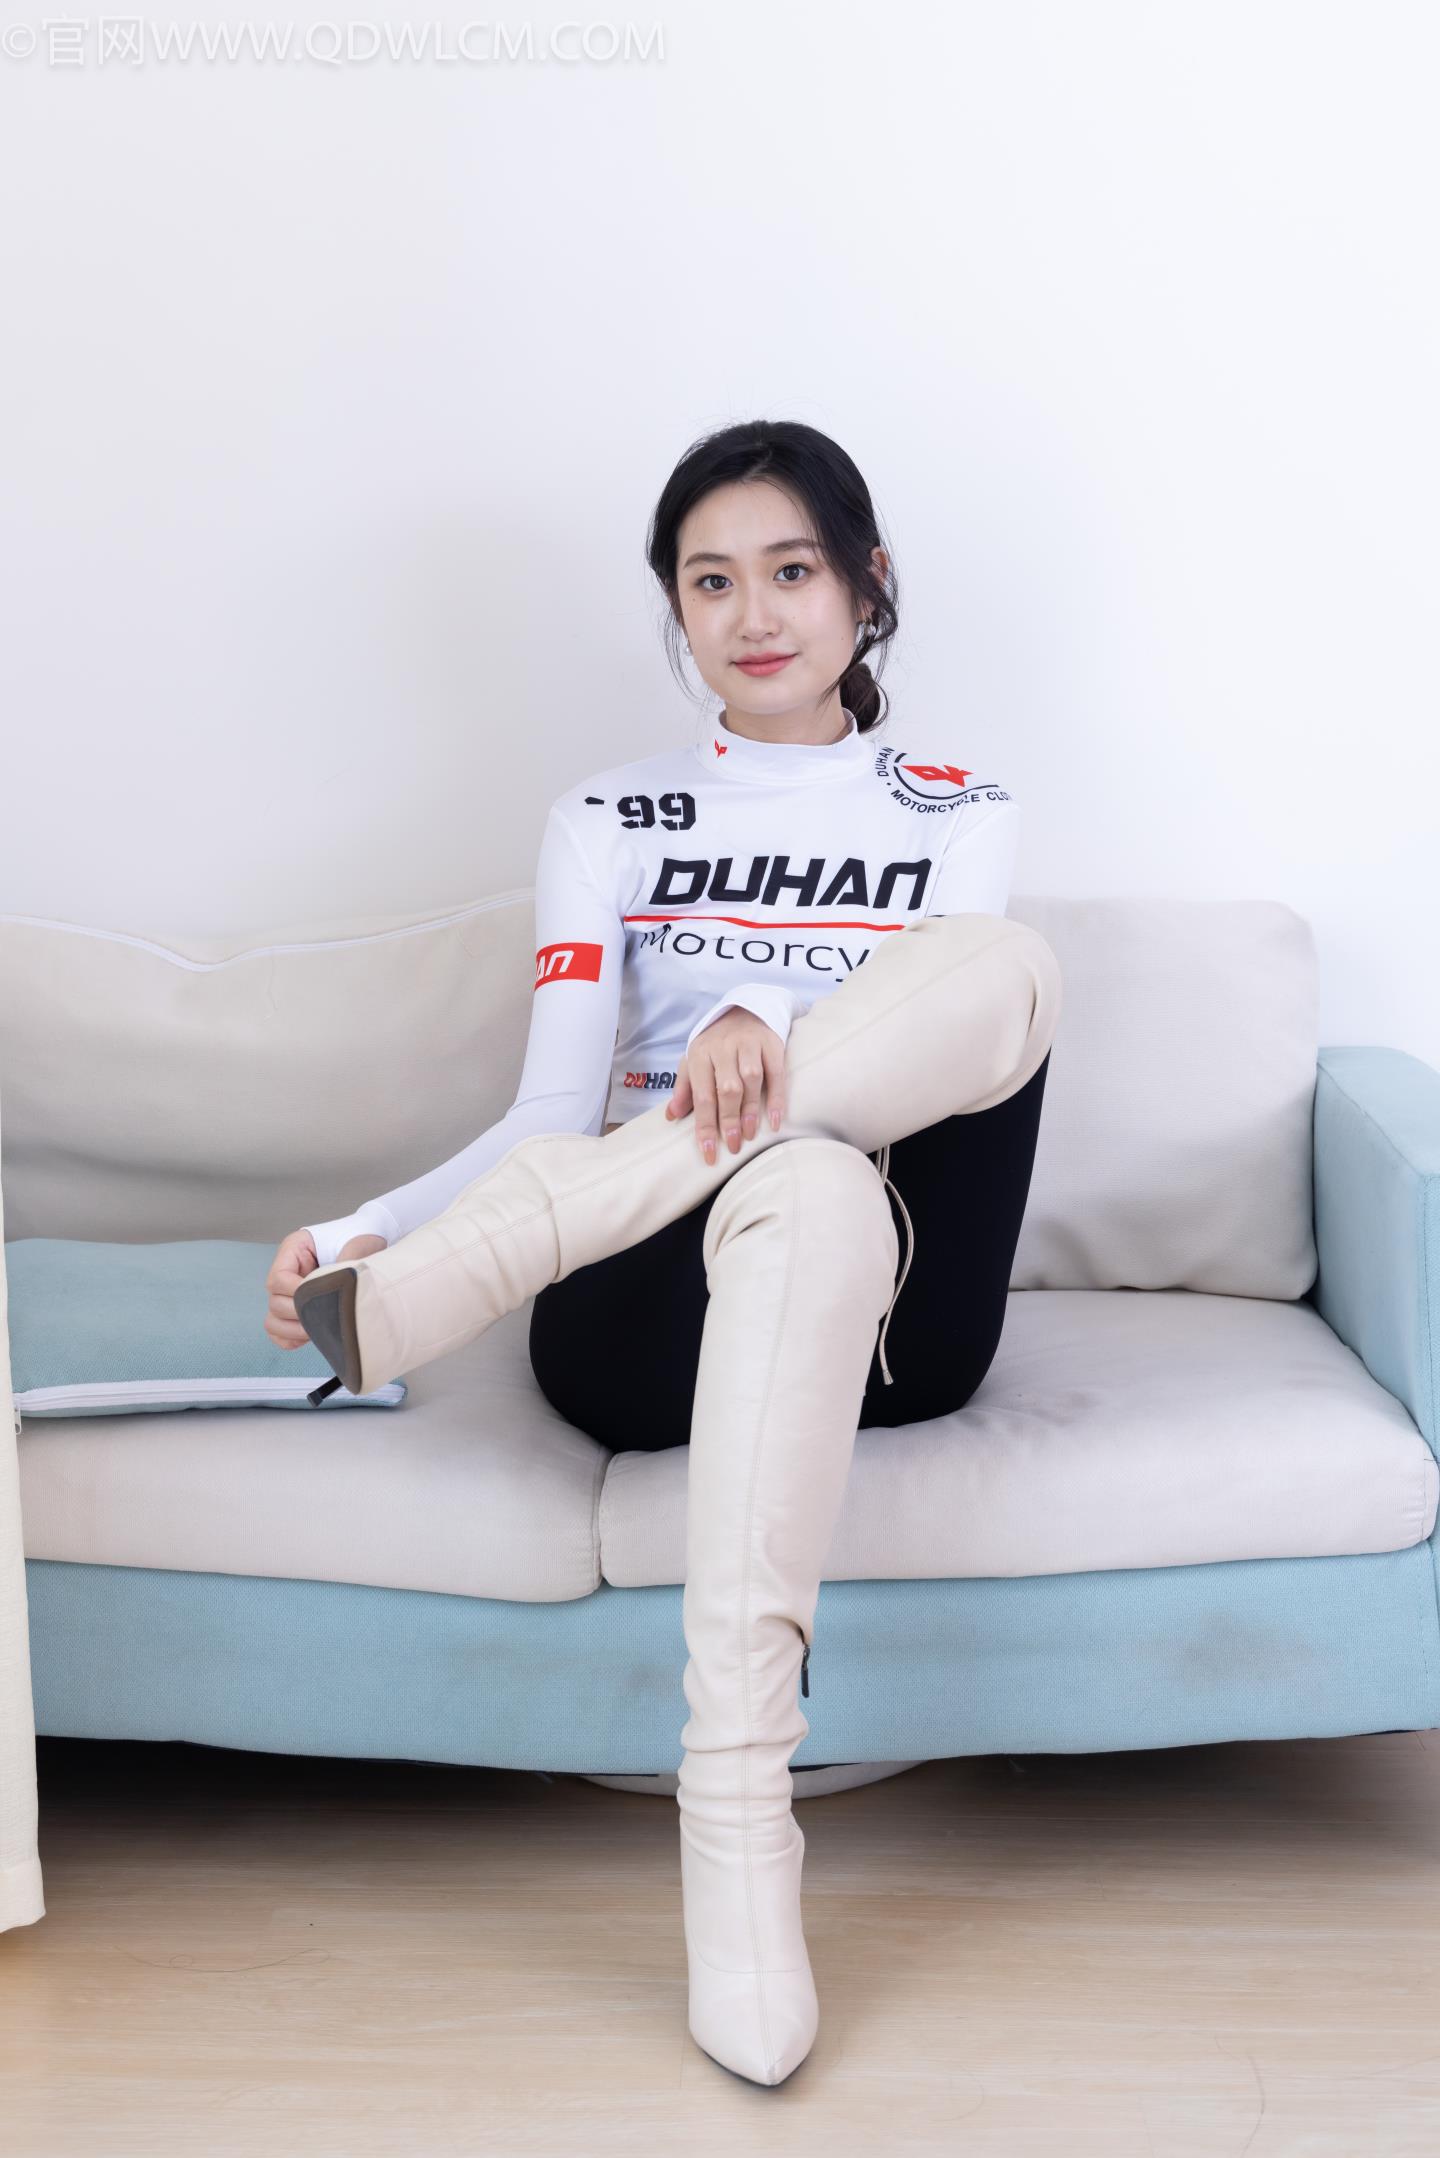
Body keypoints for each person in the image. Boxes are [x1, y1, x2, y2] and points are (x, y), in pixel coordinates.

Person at [264, 419, 1062, 2088]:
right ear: (677, 607)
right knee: (800, 1189)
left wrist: (759, 1012)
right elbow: (548, 1107)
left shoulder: (958, 809)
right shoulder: (610, 817)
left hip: (899, 1311)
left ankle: (469, 1278)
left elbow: (938, 1050)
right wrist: (366, 1227)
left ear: (868, 586)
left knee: (997, 985)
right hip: (647, 1318)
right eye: (711, 581)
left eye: (792, 570)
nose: (753, 613)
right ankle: (740, 1818)